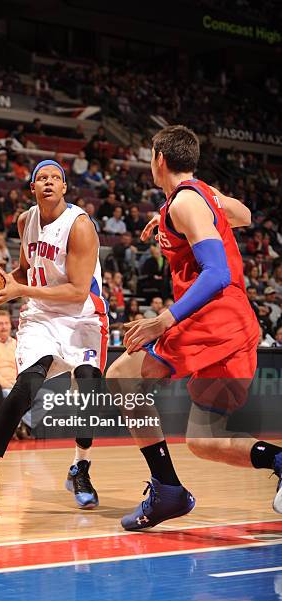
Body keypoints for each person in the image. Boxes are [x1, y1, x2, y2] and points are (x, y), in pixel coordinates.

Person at [106, 125, 282, 532]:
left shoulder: (186, 202)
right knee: (205, 439)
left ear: (159, 159)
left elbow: (217, 272)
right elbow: (244, 215)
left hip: (212, 318)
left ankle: (167, 489)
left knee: (120, 378)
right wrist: (172, 217)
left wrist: (162, 321)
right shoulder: (194, 197)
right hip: (237, 326)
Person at [0, 159, 108, 515]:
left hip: (82, 315)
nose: (48, 183)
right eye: (41, 178)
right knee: (26, 385)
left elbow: (76, 290)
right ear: (32, 188)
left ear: (64, 188)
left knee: (89, 387)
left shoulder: (80, 227)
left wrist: (19, 289)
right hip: (42, 315)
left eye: (55, 178)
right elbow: (28, 270)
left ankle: (81, 468)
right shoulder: (26, 220)